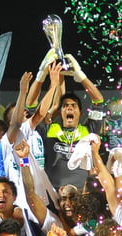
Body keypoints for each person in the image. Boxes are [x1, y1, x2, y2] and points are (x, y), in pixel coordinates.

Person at [38, 54, 104, 190]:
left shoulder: (88, 131)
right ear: (60, 112)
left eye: (73, 106)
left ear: (80, 112)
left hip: (81, 194)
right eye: (65, 106)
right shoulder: (50, 129)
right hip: (54, 194)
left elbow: (98, 101)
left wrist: (80, 76)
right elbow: (36, 113)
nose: (69, 108)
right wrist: (48, 78)